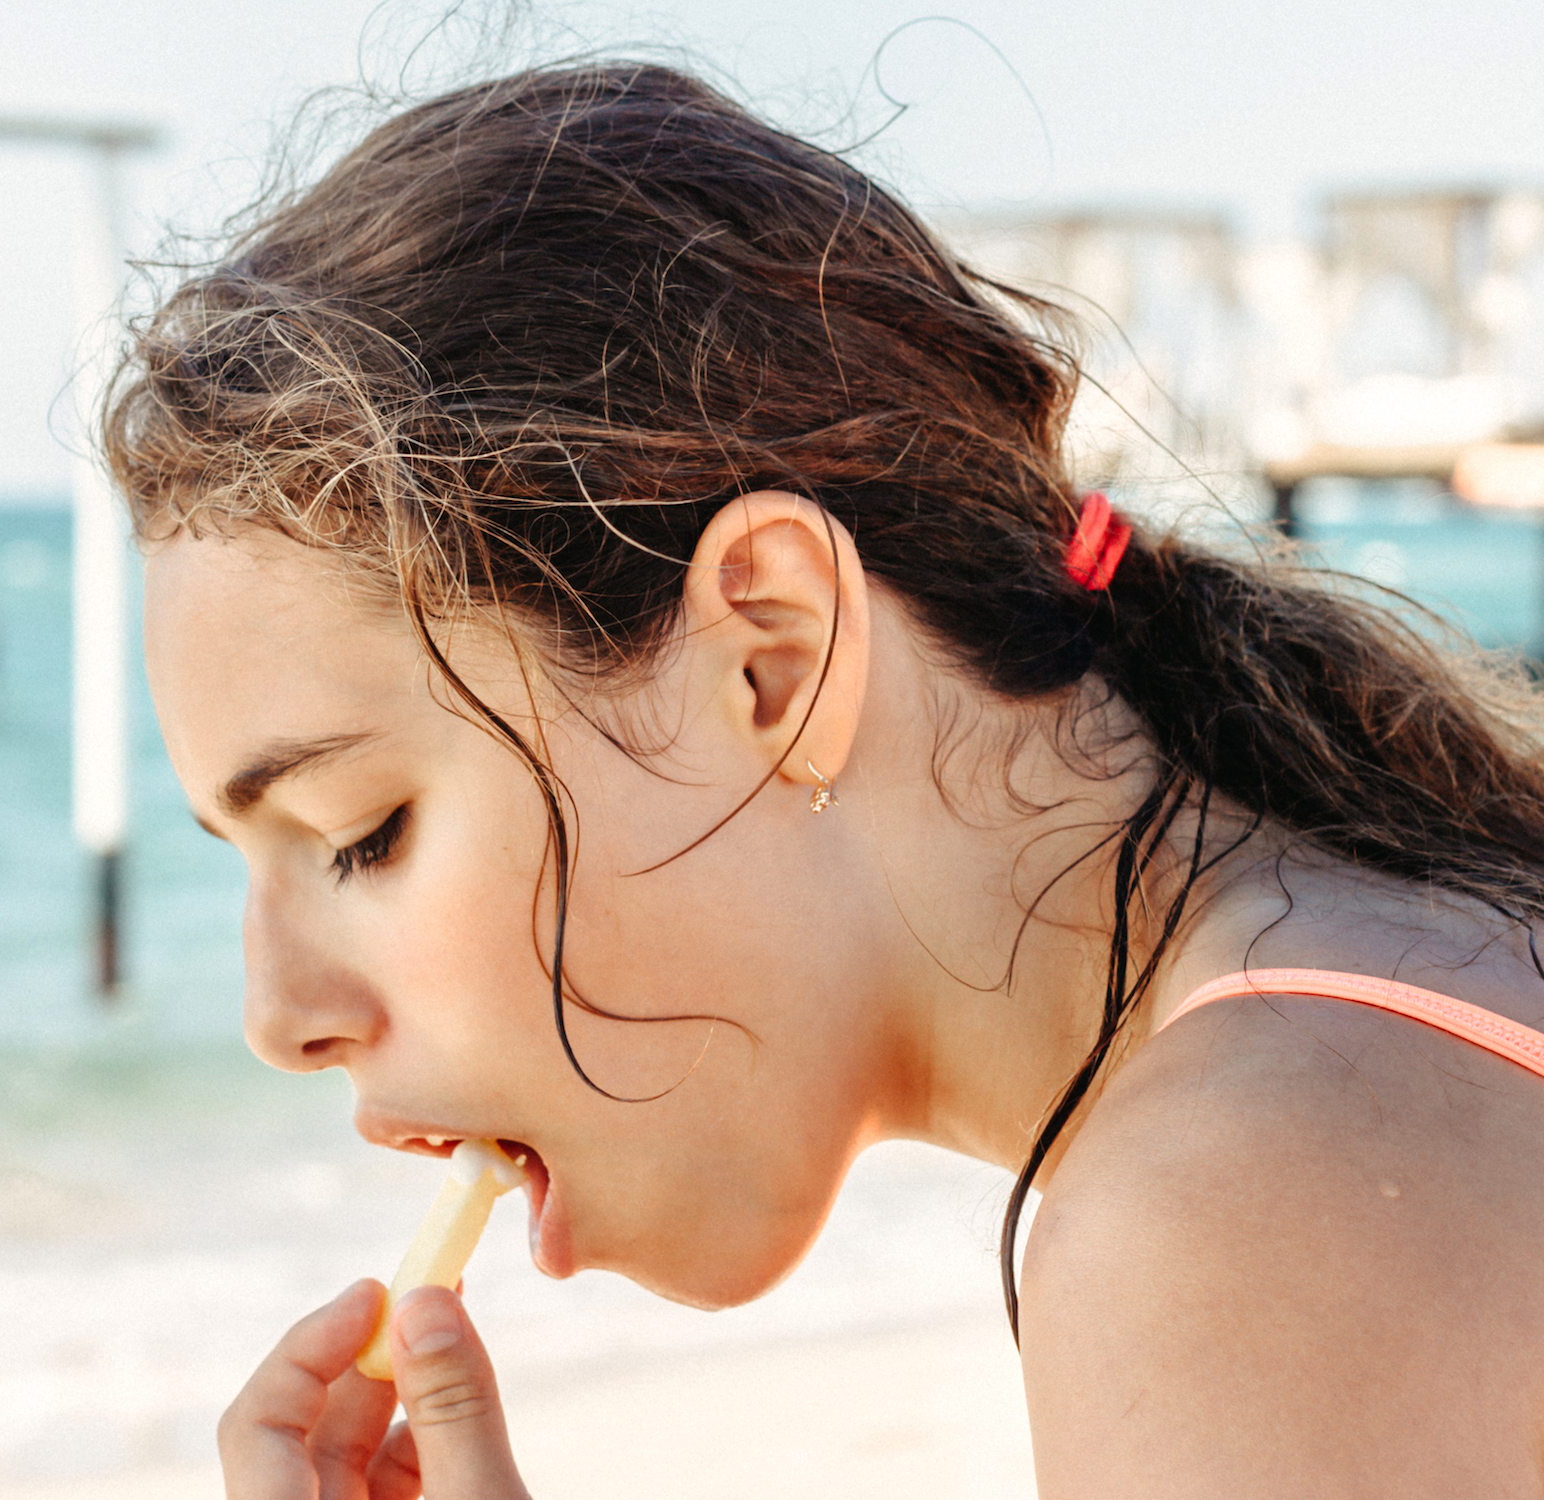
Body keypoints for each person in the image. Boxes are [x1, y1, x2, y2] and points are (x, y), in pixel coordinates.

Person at [106, 63, 1544, 1498]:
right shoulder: (1398, 994)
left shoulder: (1237, 1216)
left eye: (361, 835)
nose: (278, 1018)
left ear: (772, 659)